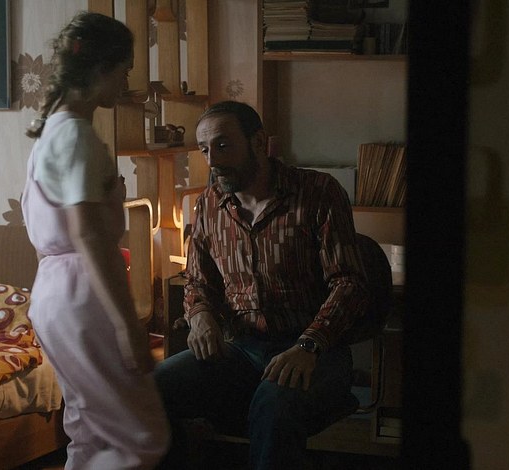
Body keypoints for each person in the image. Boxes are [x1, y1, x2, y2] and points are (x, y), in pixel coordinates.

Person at [154, 101, 370, 469]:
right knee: (153, 390)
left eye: (223, 145)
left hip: (313, 349)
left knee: (274, 406)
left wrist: (309, 344)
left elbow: (349, 283)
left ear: (258, 142)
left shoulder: (318, 192)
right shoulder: (209, 205)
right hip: (240, 349)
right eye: (205, 149)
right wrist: (200, 314)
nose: (212, 160)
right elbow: (197, 281)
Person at [21, 11, 169, 469]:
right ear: (102, 68)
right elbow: (88, 232)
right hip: (82, 293)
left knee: (89, 430)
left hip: (53, 292)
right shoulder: (75, 136)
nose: (126, 81)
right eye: (124, 69)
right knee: (139, 438)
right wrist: (127, 325)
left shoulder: (53, 131)